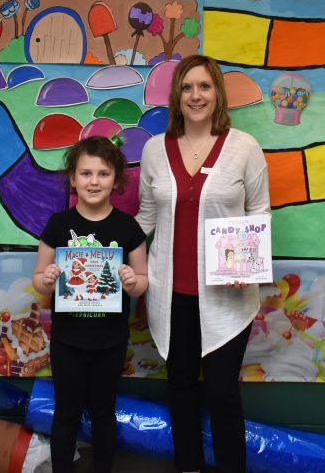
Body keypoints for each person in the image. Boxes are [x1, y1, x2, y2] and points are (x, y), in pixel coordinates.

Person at [136, 54, 270, 473]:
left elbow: (260, 211)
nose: (196, 95)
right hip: (169, 293)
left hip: (227, 296)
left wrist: (245, 268)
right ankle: (188, 466)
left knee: (221, 392)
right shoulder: (156, 149)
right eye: (188, 87)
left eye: (204, 87)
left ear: (217, 94)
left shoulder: (243, 147)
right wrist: (104, 254)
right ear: (177, 95)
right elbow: (145, 219)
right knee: (179, 387)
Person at [33, 136, 149, 473]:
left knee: (103, 413)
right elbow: (38, 278)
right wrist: (49, 277)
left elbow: (142, 284)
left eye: (102, 173)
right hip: (68, 340)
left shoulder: (128, 228)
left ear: (116, 179)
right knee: (66, 413)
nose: (93, 181)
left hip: (110, 342)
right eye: (85, 173)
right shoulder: (58, 225)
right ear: (72, 178)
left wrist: (131, 281)